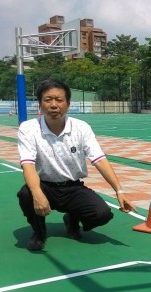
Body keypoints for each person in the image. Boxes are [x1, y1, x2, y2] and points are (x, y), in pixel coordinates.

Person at [17, 79, 136, 251]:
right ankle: (39, 232)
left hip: (72, 187)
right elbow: (27, 164)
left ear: (68, 104)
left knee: (101, 214)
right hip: (44, 185)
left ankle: (72, 218)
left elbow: (99, 159)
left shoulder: (81, 128)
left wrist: (119, 191)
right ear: (40, 104)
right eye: (48, 99)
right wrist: (37, 193)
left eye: (59, 100)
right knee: (26, 195)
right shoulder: (28, 129)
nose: (53, 105)